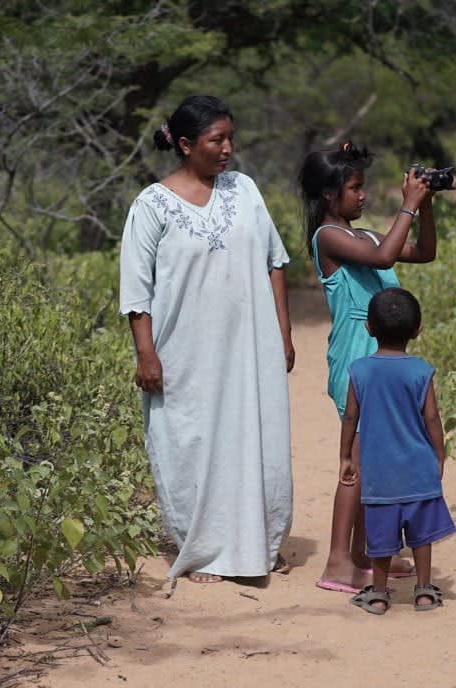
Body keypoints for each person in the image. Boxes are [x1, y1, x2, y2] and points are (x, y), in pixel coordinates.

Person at [119, 95, 295, 586]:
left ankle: (259, 543)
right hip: (186, 350)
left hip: (250, 344)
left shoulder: (244, 190)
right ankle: (202, 549)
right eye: (217, 140)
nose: (227, 149)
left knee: (256, 437)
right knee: (192, 442)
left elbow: (273, 261)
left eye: (230, 138)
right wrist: (146, 353)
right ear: (184, 144)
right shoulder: (152, 205)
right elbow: (137, 290)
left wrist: (282, 332)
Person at [298, 143, 439, 593]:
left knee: (371, 459)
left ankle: (363, 555)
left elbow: (423, 252)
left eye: (363, 186)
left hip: (380, 364)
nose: (363, 196)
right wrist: (408, 207)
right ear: (327, 194)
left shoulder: (372, 236)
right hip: (356, 362)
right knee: (356, 463)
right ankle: (339, 561)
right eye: (354, 188)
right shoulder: (327, 237)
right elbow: (384, 259)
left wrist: (426, 207)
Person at [340, 287, 456, 614]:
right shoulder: (421, 370)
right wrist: (439, 454)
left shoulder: (360, 370)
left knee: (380, 535)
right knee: (421, 536)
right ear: (417, 330)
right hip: (418, 468)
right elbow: (431, 417)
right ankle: (423, 591)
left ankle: (378, 593)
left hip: (379, 472)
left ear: (368, 328)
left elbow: (351, 416)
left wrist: (346, 457)